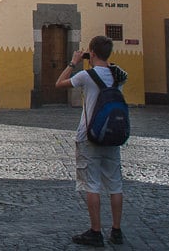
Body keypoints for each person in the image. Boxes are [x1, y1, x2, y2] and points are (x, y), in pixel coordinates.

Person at [55, 35, 129, 247]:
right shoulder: (119, 76)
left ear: (92, 53)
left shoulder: (86, 77)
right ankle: (116, 230)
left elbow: (59, 83)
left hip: (89, 135)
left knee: (92, 184)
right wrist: (105, 60)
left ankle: (95, 232)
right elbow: (116, 69)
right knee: (115, 184)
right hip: (113, 135)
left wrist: (73, 62)